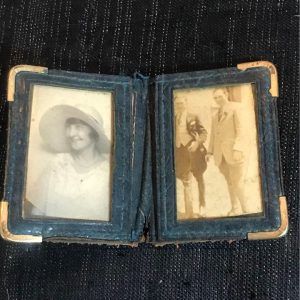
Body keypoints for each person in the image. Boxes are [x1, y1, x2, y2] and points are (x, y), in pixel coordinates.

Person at [26, 104, 111, 221]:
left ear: (94, 132)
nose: (71, 134)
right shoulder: (57, 163)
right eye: (69, 127)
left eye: (78, 127)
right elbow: (36, 212)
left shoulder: (109, 174)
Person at [206, 87, 246, 216]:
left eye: (220, 96)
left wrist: (238, 149)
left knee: (237, 182)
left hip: (234, 153)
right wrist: (209, 152)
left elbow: (241, 130)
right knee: (229, 182)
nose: (218, 99)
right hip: (220, 155)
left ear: (226, 94)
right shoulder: (214, 115)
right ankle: (235, 208)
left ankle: (247, 210)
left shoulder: (236, 108)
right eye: (215, 97)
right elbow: (213, 135)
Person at [174, 95, 207, 219]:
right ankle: (189, 212)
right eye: (177, 104)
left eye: (181, 103)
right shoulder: (173, 117)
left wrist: (197, 143)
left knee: (199, 178)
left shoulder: (194, 116)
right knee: (185, 180)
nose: (180, 106)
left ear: (186, 103)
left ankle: (202, 206)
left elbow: (204, 132)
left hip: (194, 151)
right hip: (180, 152)